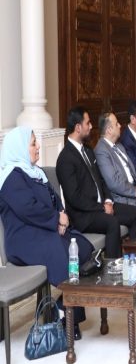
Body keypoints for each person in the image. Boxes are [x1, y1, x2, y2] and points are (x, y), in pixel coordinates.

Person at [0, 126, 94, 339]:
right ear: (19, 148)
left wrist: (61, 217)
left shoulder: (36, 172)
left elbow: (55, 199)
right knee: (60, 250)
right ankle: (70, 318)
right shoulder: (10, 177)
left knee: (81, 246)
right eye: (33, 143)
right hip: (23, 239)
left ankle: (62, 304)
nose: (38, 146)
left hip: (43, 229)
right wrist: (55, 220)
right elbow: (28, 209)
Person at [56, 107, 136, 259]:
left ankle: (134, 260)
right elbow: (74, 198)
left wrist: (108, 200)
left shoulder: (88, 150)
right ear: (78, 127)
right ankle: (114, 268)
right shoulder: (65, 158)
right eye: (87, 123)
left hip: (101, 206)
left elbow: (101, 180)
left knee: (135, 213)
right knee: (112, 223)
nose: (91, 126)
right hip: (83, 215)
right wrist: (102, 208)